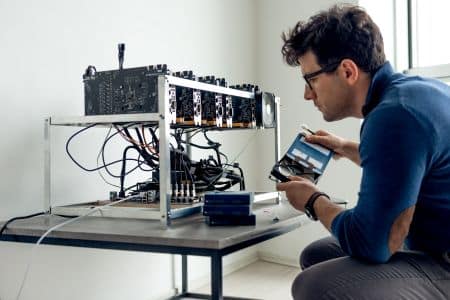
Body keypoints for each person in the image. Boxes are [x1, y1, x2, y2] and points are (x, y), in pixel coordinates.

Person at [277, 4, 450, 300]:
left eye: (311, 79)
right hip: (433, 240)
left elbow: (374, 243)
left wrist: (314, 201)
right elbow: (408, 164)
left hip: (442, 259)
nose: (308, 94)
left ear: (347, 71)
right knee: (317, 254)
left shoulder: (393, 117)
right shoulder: (412, 93)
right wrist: (344, 147)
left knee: (313, 286)